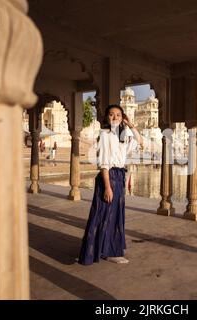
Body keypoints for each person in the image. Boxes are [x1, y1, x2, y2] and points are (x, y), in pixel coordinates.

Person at [78, 105, 143, 265]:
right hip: (109, 177)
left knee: (114, 215)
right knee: (103, 214)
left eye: (118, 115)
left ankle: (107, 250)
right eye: (111, 115)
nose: (115, 117)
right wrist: (108, 187)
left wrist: (130, 125)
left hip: (119, 176)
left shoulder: (122, 135)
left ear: (123, 118)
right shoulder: (105, 135)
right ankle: (102, 251)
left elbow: (140, 142)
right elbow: (104, 164)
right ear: (106, 117)